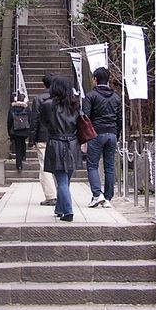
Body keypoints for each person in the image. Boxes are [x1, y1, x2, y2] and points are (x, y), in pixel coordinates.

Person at [39, 75, 83, 222]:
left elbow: (44, 122)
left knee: (61, 180)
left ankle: (68, 210)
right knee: (66, 179)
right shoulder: (75, 105)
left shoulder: (47, 105)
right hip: (72, 143)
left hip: (56, 142)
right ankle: (60, 208)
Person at [83, 66, 122, 208]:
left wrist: (85, 137)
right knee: (109, 167)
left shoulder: (91, 96)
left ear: (95, 79)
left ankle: (97, 195)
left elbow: (85, 117)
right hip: (112, 133)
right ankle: (108, 198)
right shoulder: (116, 97)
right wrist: (116, 135)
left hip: (96, 133)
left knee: (92, 165)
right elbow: (119, 119)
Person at [29, 74, 57, 206]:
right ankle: (61, 192)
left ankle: (51, 196)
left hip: (43, 136)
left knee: (44, 166)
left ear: (44, 84)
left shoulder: (38, 99)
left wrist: (31, 140)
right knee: (59, 166)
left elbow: (34, 120)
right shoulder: (61, 98)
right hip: (59, 136)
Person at [7, 91, 30, 172]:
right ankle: (23, 156)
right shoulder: (26, 108)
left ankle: (19, 166)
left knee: (17, 149)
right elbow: (30, 119)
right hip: (24, 130)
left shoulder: (12, 108)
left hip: (15, 131)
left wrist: (9, 132)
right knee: (23, 142)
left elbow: (9, 120)